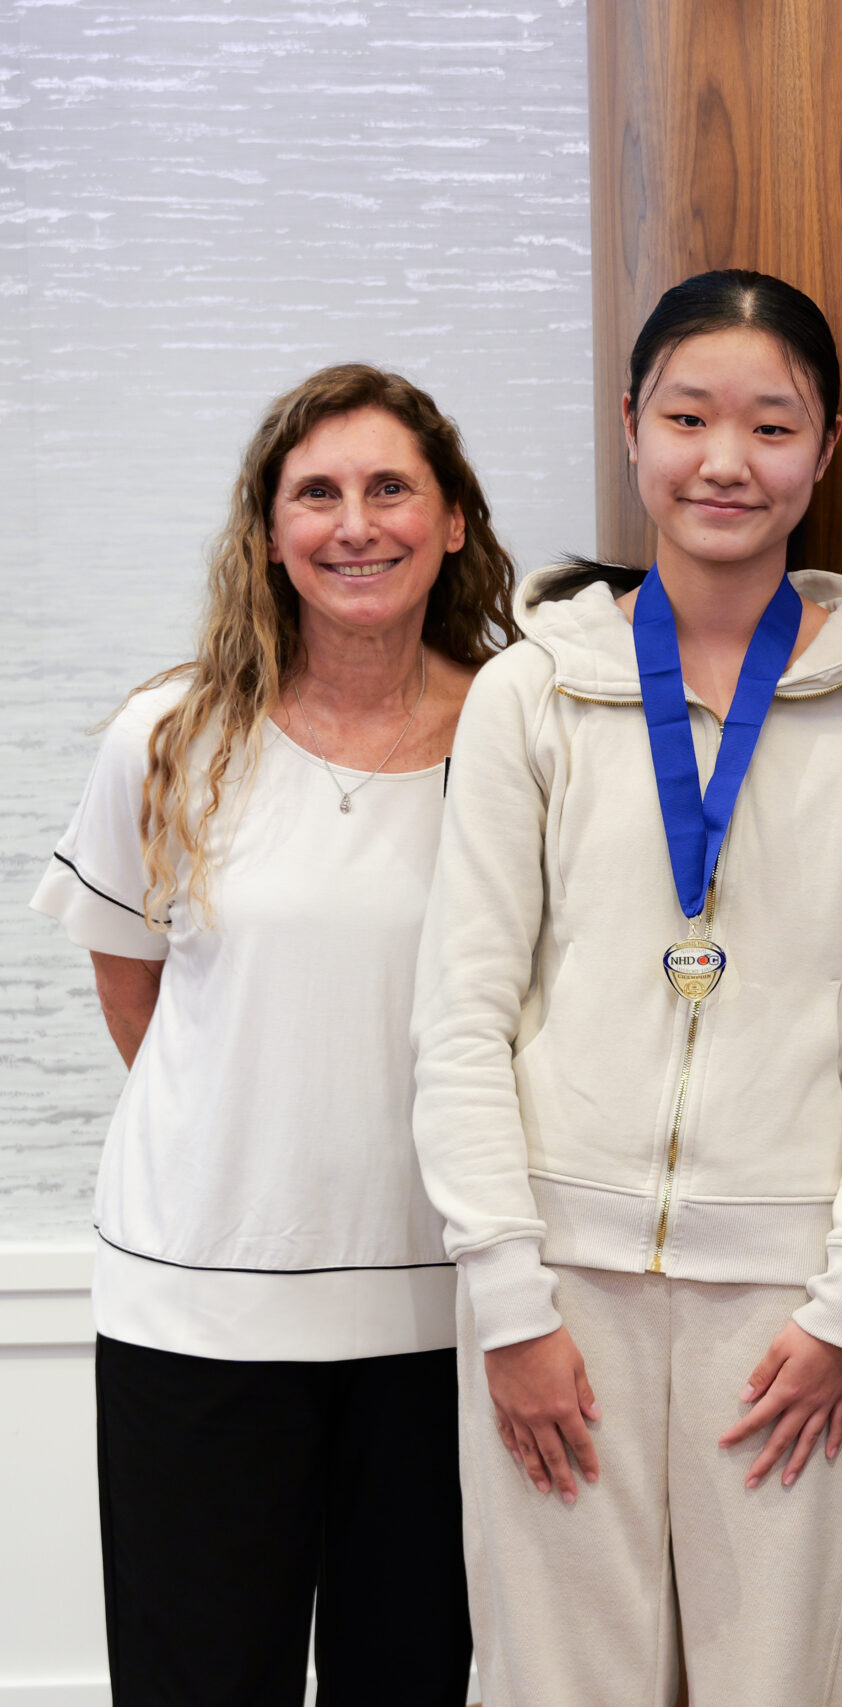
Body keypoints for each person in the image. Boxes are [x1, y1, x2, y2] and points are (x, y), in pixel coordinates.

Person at [409, 269, 842, 1706]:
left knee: (795, 1679)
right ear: (632, 427)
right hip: (558, 1292)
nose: (727, 458)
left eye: (771, 424)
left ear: (826, 447)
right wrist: (509, 1297)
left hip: (787, 1307)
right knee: (554, 1683)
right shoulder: (530, 692)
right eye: (689, 416)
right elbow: (463, 1010)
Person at [31, 364, 515, 1703]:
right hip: (197, 1316)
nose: (354, 522)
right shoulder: (171, 734)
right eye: (317, 492)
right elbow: (133, 984)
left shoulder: (525, 733)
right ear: (266, 532)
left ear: (454, 520)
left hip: (440, 1318)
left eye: (389, 488)